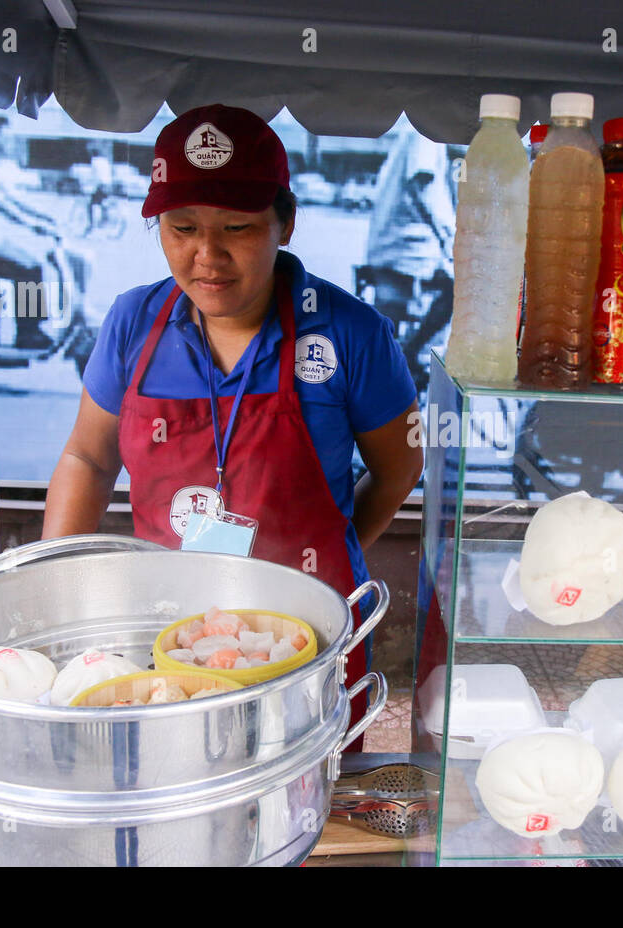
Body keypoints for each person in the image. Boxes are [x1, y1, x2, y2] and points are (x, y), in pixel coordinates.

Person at [43, 105, 422, 736]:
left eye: (238, 228)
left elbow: (399, 466)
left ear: (285, 224)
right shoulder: (133, 325)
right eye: (181, 228)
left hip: (304, 639)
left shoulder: (350, 334)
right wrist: (57, 598)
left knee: (306, 810)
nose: (206, 256)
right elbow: (87, 458)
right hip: (168, 637)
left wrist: (334, 545)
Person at [361, 128, 456, 396]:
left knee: (390, 320)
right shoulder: (426, 134)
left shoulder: (413, 133)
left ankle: (403, 355)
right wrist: (445, 232)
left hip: (398, 245)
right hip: (407, 245)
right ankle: (410, 353)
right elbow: (419, 184)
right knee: (460, 288)